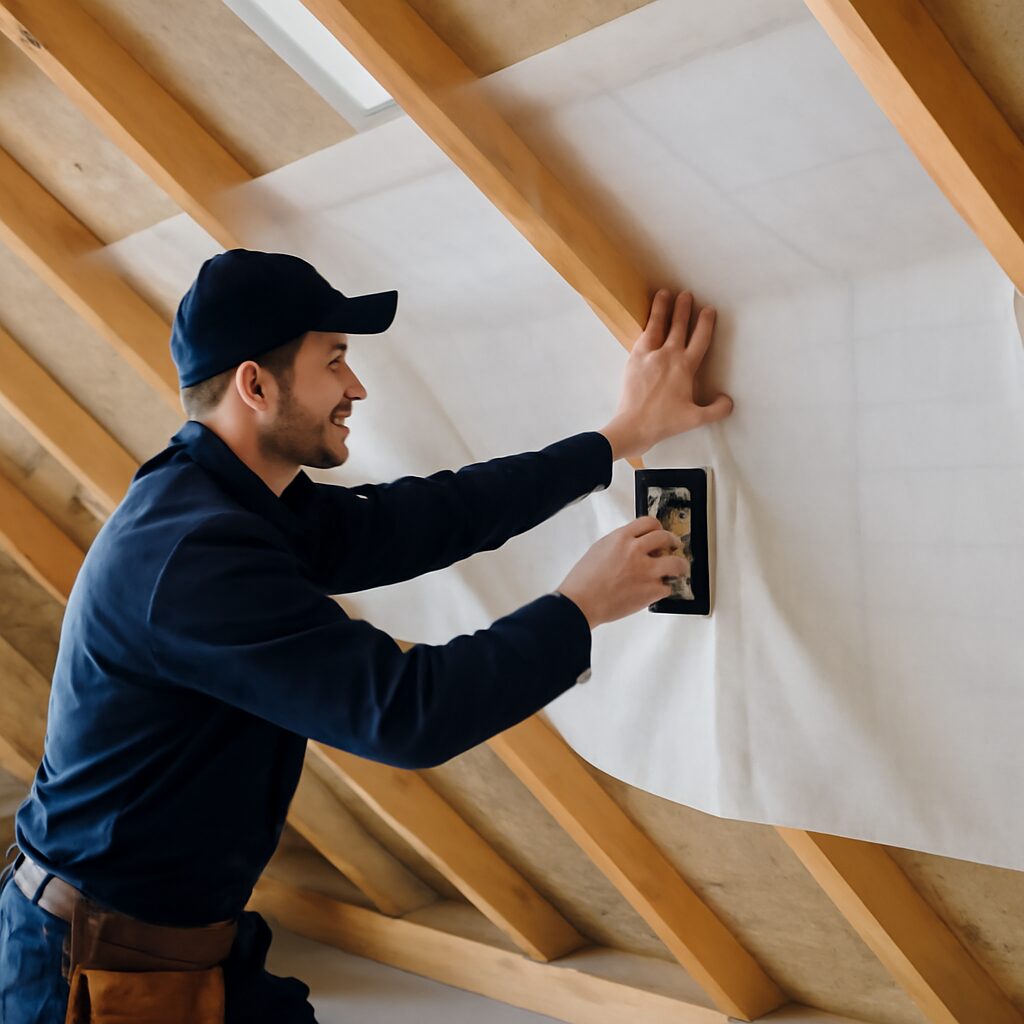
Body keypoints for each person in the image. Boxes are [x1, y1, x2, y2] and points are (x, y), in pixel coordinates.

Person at [0, 249, 732, 1023]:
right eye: (336, 361)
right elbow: (405, 713)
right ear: (256, 384)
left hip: (172, 944)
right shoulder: (194, 554)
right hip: (89, 975)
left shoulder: (231, 500)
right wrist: (579, 606)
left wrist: (617, 438)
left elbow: (422, 519)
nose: (356, 388)